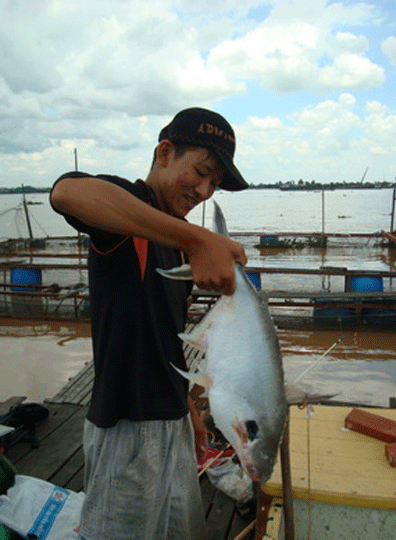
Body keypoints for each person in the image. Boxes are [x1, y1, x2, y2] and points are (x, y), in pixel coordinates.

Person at [50, 107, 248, 540]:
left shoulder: (176, 241)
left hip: (173, 421)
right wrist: (200, 238)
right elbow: (67, 193)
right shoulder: (130, 210)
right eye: (200, 172)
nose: (204, 190)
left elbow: (168, 336)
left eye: (214, 183)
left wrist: (190, 409)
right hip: (127, 427)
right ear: (164, 152)